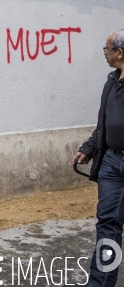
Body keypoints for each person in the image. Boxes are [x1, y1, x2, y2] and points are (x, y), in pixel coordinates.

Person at [72, 29, 124, 287]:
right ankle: (100, 283)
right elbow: (104, 124)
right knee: (108, 224)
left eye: (106, 48)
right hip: (113, 163)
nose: (104, 52)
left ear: (119, 52)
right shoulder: (111, 81)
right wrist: (90, 148)